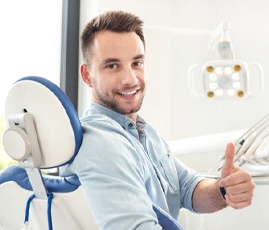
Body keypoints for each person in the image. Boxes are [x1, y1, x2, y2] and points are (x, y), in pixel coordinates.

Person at [60, 10, 255, 229]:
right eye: (112, 66)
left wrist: (223, 189)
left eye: (137, 63)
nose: (130, 79)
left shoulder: (143, 132)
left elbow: (188, 189)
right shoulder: (100, 142)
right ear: (87, 75)